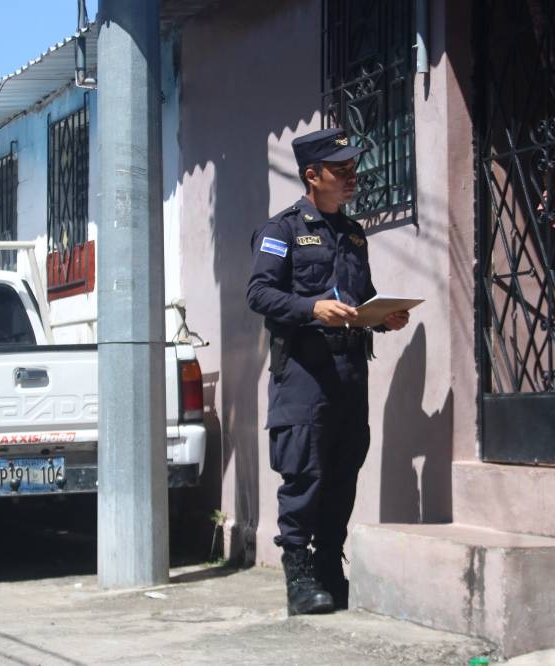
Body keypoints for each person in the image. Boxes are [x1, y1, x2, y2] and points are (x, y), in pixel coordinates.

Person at [246, 127, 410, 615]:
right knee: (305, 472)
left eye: (353, 170)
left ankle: (328, 569)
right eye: (341, 171)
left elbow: (360, 298)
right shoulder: (282, 231)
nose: (351, 178)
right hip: (304, 373)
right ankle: (298, 578)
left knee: (342, 470)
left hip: (349, 373)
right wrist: (311, 309)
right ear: (312, 175)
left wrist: (384, 318)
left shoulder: (354, 234)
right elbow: (259, 294)